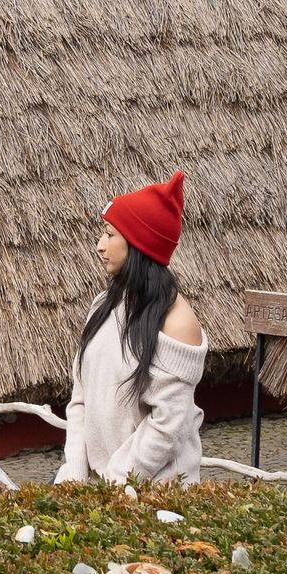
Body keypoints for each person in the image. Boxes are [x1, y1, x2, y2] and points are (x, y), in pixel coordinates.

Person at [56, 170, 208, 488]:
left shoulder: (176, 322)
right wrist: (73, 468)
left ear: (140, 244)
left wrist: (119, 480)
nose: (100, 245)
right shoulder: (103, 306)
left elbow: (168, 424)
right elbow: (80, 397)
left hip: (158, 492)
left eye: (110, 235)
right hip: (111, 487)